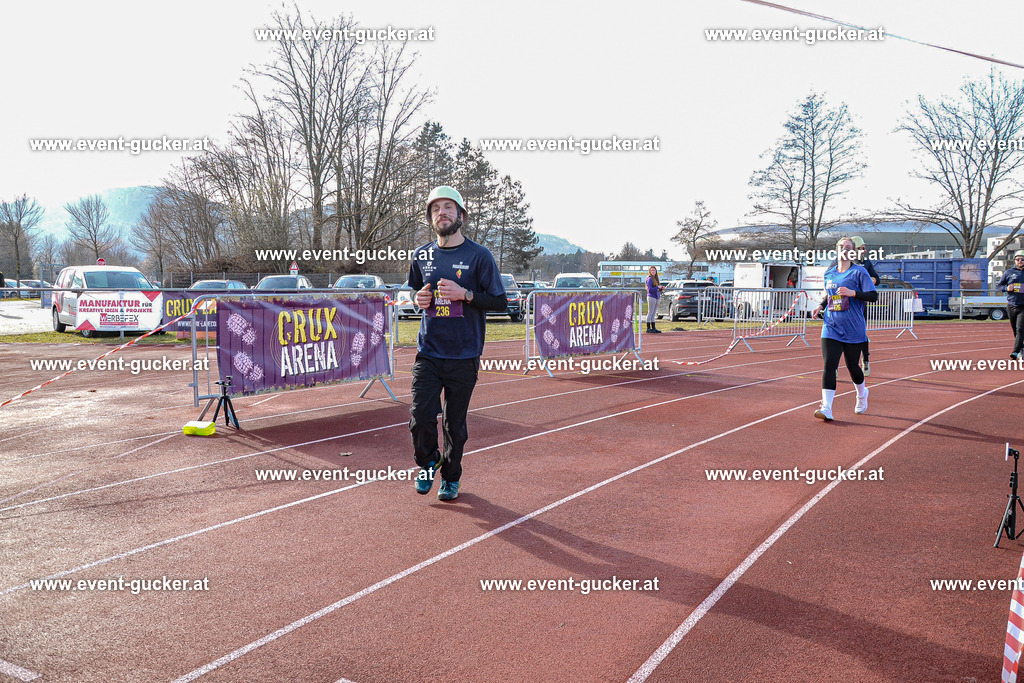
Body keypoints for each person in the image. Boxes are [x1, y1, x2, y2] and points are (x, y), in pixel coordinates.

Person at [407, 186, 507, 501]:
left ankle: (451, 477)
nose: (442, 213)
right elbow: (411, 292)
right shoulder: (421, 255)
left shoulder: (480, 256)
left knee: (454, 425)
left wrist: (465, 294)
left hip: (465, 354)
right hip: (429, 351)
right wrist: (417, 299)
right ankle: (428, 461)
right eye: (436, 208)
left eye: (449, 207)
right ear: (430, 217)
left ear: (460, 216)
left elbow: (501, 302)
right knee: (420, 416)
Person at [811, 237, 878, 421]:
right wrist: (821, 306)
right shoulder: (829, 273)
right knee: (829, 365)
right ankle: (827, 408)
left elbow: (873, 296)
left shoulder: (860, 272)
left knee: (852, 367)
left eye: (848, 247)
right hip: (831, 325)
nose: (844, 249)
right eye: (841, 247)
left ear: (853, 252)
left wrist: (853, 293)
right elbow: (831, 296)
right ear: (837, 250)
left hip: (853, 327)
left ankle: (862, 394)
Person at [998, 250, 1024, 360]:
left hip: (1023, 306)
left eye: (1022, 259)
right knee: (1015, 330)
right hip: (1012, 304)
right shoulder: (1008, 272)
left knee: (1020, 329)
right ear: (1015, 260)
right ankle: (1022, 349)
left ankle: (1015, 351)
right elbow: (999, 286)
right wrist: (1006, 288)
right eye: (1018, 259)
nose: (1020, 261)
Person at [645, 265, 665, 333]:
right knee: (650, 312)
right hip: (651, 297)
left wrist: (660, 288)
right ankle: (648, 328)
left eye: (654, 270)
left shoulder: (655, 279)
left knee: (654, 313)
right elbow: (649, 290)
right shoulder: (649, 279)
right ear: (649, 271)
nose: (653, 271)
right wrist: (657, 287)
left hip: (656, 297)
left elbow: (656, 288)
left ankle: (653, 327)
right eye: (651, 270)